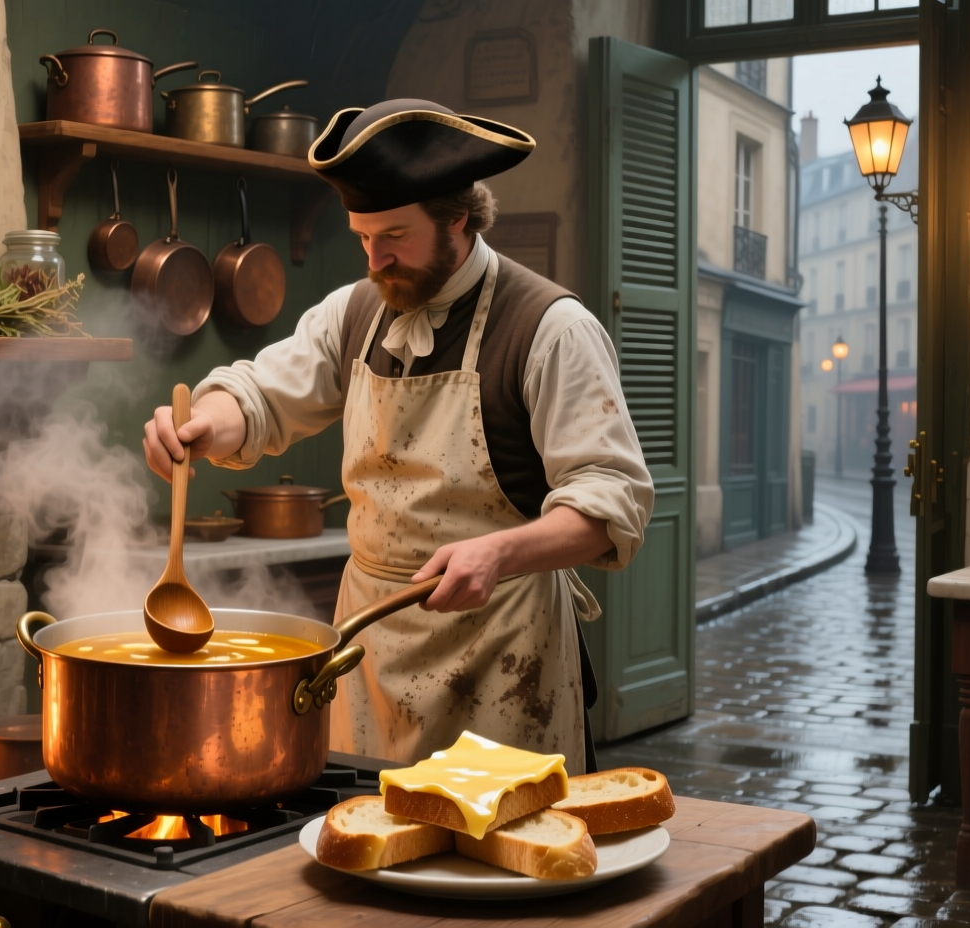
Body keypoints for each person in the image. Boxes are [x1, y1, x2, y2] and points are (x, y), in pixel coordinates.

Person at [141, 99, 653, 767]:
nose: (375, 260)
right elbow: (263, 394)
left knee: (493, 859)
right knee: (365, 845)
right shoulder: (354, 311)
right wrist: (207, 423)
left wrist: (499, 554)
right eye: (362, 238)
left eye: (395, 237)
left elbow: (610, 504)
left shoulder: (552, 329)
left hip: (504, 652)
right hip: (367, 650)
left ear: (457, 219)